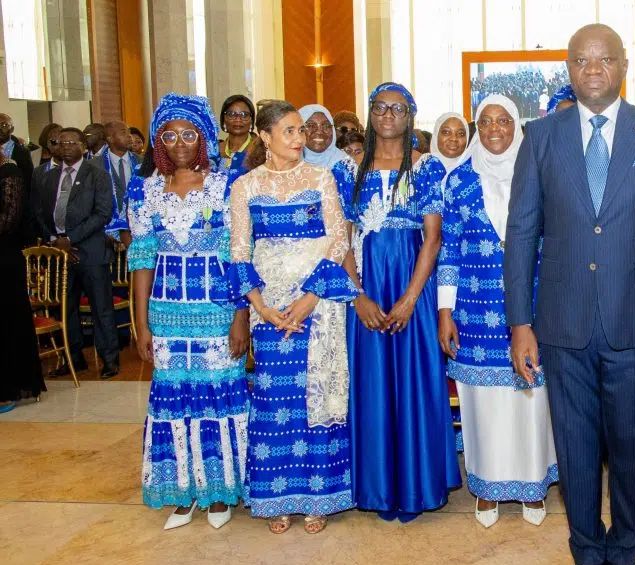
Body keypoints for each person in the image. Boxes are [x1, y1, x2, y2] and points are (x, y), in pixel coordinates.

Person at [504, 24, 635, 565]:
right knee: (576, 450)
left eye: (605, 59)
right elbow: (522, 232)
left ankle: (627, 546)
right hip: (561, 322)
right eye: (582, 60)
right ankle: (586, 547)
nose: (593, 69)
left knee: (633, 446)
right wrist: (519, 321)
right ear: (568, 68)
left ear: (623, 65)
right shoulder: (541, 136)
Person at [228, 100, 358, 534]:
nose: (299, 139)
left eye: (300, 131)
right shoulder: (245, 186)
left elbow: (339, 239)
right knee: (273, 399)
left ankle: (318, 496)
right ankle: (275, 498)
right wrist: (261, 307)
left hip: (315, 303)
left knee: (316, 398)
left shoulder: (322, 178)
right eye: (289, 131)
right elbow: (239, 251)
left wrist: (308, 298)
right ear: (264, 137)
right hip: (268, 306)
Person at [126, 93, 250, 530]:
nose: (180, 143)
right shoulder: (144, 192)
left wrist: (241, 317)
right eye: (170, 135)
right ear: (159, 140)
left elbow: (240, 257)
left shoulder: (225, 187)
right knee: (174, 401)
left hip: (216, 313)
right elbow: (141, 261)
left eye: (189, 134)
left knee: (217, 399)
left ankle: (219, 493)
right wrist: (140, 323)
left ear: (203, 139)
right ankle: (184, 489)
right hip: (166, 315)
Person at [341, 82, 460, 522]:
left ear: (411, 115)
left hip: (414, 287)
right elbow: (344, 241)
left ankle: (415, 485)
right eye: (380, 107)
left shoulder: (426, 169)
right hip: (367, 290)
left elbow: (432, 239)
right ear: (370, 114)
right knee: (372, 383)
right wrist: (358, 296)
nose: (388, 115)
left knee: (414, 381)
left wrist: (411, 300)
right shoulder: (349, 170)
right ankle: (377, 487)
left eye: (397, 108)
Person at [437, 94, 556, 528]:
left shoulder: (539, 172)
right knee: (483, 401)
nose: (493, 129)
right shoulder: (459, 181)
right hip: (475, 304)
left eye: (503, 120)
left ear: (516, 125)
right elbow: (448, 249)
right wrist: (444, 311)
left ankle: (531, 486)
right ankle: (486, 489)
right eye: (485, 121)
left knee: (531, 398)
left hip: (534, 304)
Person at [30, 127, 121, 378]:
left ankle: (109, 359)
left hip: (90, 252)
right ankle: (75, 357)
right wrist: (55, 240)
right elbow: (38, 212)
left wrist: (71, 239)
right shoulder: (46, 177)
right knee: (66, 308)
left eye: (72, 142)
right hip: (60, 254)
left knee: (100, 308)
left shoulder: (97, 174)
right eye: (61, 142)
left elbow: (102, 213)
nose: (66, 146)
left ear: (83, 145)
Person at [0, 156, 44, 413]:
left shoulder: (9, 172)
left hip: (3, 260)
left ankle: (8, 387)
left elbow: (8, 219)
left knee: (5, 321)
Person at [88, 121, 141, 245]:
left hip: (137, 231)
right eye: (123, 132)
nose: (130, 136)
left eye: (129, 132)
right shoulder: (93, 165)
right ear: (110, 139)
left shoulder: (141, 162)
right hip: (104, 236)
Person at [299, 104, 356, 193]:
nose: (319, 131)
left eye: (326, 126)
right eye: (310, 125)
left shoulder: (345, 165)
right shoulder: (288, 164)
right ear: (299, 129)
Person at [218, 95, 257, 177]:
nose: (238, 119)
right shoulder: (214, 151)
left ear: (252, 120)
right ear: (223, 119)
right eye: (231, 114)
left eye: (244, 115)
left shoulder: (260, 150)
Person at [0, 113, 34, 197]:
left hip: (14, 201)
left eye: (4, 125)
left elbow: (28, 182)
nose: (0, 128)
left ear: (12, 129)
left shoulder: (23, 152)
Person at [430, 112, 469, 181]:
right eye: (446, 132)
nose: (454, 139)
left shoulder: (476, 170)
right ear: (436, 136)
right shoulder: (420, 168)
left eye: (461, 134)